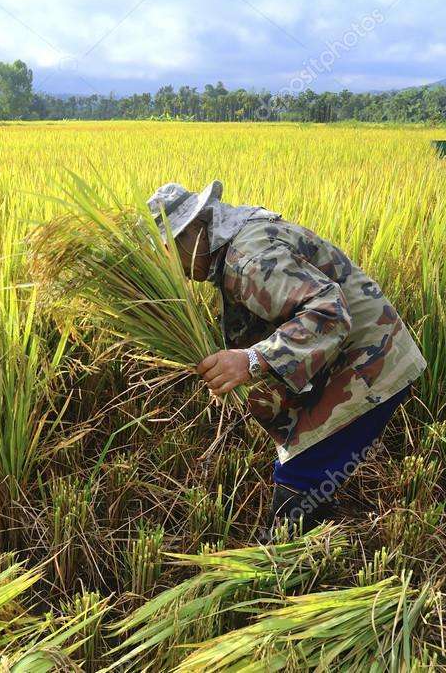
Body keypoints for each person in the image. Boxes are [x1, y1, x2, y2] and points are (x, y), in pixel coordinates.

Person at [147, 180, 426, 532]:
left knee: (300, 475)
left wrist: (251, 360)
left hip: (371, 363)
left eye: (172, 250)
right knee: (306, 463)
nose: (173, 266)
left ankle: (286, 569)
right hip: (348, 357)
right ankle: (322, 541)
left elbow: (328, 310)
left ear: (195, 233)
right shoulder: (233, 245)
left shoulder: (247, 259)